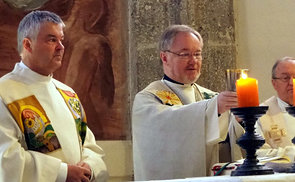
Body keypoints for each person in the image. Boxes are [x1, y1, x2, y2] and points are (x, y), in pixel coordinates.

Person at [0, 10, 108, 182]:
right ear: (28, 45)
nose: (61, 47)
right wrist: (62, 173)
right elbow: (6, 158)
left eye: (61, 40)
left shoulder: (67, 93)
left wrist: (89, 166)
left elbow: (88, 144)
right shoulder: (5, 93)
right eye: (51, 39)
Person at [132, 24, 238, 180]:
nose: (193, 60)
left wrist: (239, 120)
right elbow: (167, 129)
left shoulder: (210, 96)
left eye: (197, 54)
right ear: (165, 57)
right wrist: (214, 109)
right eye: (184, 54)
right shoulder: (147, 98)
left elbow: (231, 139)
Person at [230, 57, 295, 162]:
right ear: (274, 83)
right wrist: (291, 154)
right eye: (285, 78)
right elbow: (257, 152)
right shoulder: (260, 114)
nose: (292, 83)